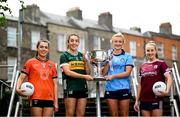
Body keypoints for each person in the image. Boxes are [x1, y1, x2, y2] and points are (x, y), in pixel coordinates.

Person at [16, 39, 58, 116]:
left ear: (48, 49)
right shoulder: (30, 62)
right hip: (35, 97)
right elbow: (21, 78)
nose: (44, 49)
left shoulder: (52, 65)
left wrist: (56, 102)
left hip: (49, 98)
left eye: (46, 47)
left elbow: (55, 85)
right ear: (37, 48)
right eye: (41, 47)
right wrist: (17, 89)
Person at [134, 41, 173, 116]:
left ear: (155, 51)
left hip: (157, 98)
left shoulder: (161, 64)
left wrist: (167, 90)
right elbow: (140, 85)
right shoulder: (143, 66)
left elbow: (169, 78)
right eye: (148, 50)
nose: (150, 52)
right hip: (144, 99)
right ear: (145, 52)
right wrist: (136, 101)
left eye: (152, 50)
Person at [59, 34, 93, 117]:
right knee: (70, 114)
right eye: (72, 40)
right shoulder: (64, 55)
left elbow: (88, 72)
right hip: (70, 88)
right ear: (68, 42)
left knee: (81, 114)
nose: (74, 43)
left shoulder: (82, 55)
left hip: (82, 88)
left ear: (79, 43)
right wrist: (84, 77)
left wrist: (86, 61)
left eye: (76, 41)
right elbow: (68, 72)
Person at [102, 32, 134, 116]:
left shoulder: (127, 56)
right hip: (110, 89)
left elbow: (127, 73)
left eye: (120, 41)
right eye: (115, 41)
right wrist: (107, 62)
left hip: (123, 88)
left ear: (123, 43)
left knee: (124, 114)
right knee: (113, 114)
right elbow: (104, 73)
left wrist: (113, 76)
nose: (118, 43)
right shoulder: (107, 55)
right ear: (112, 42)